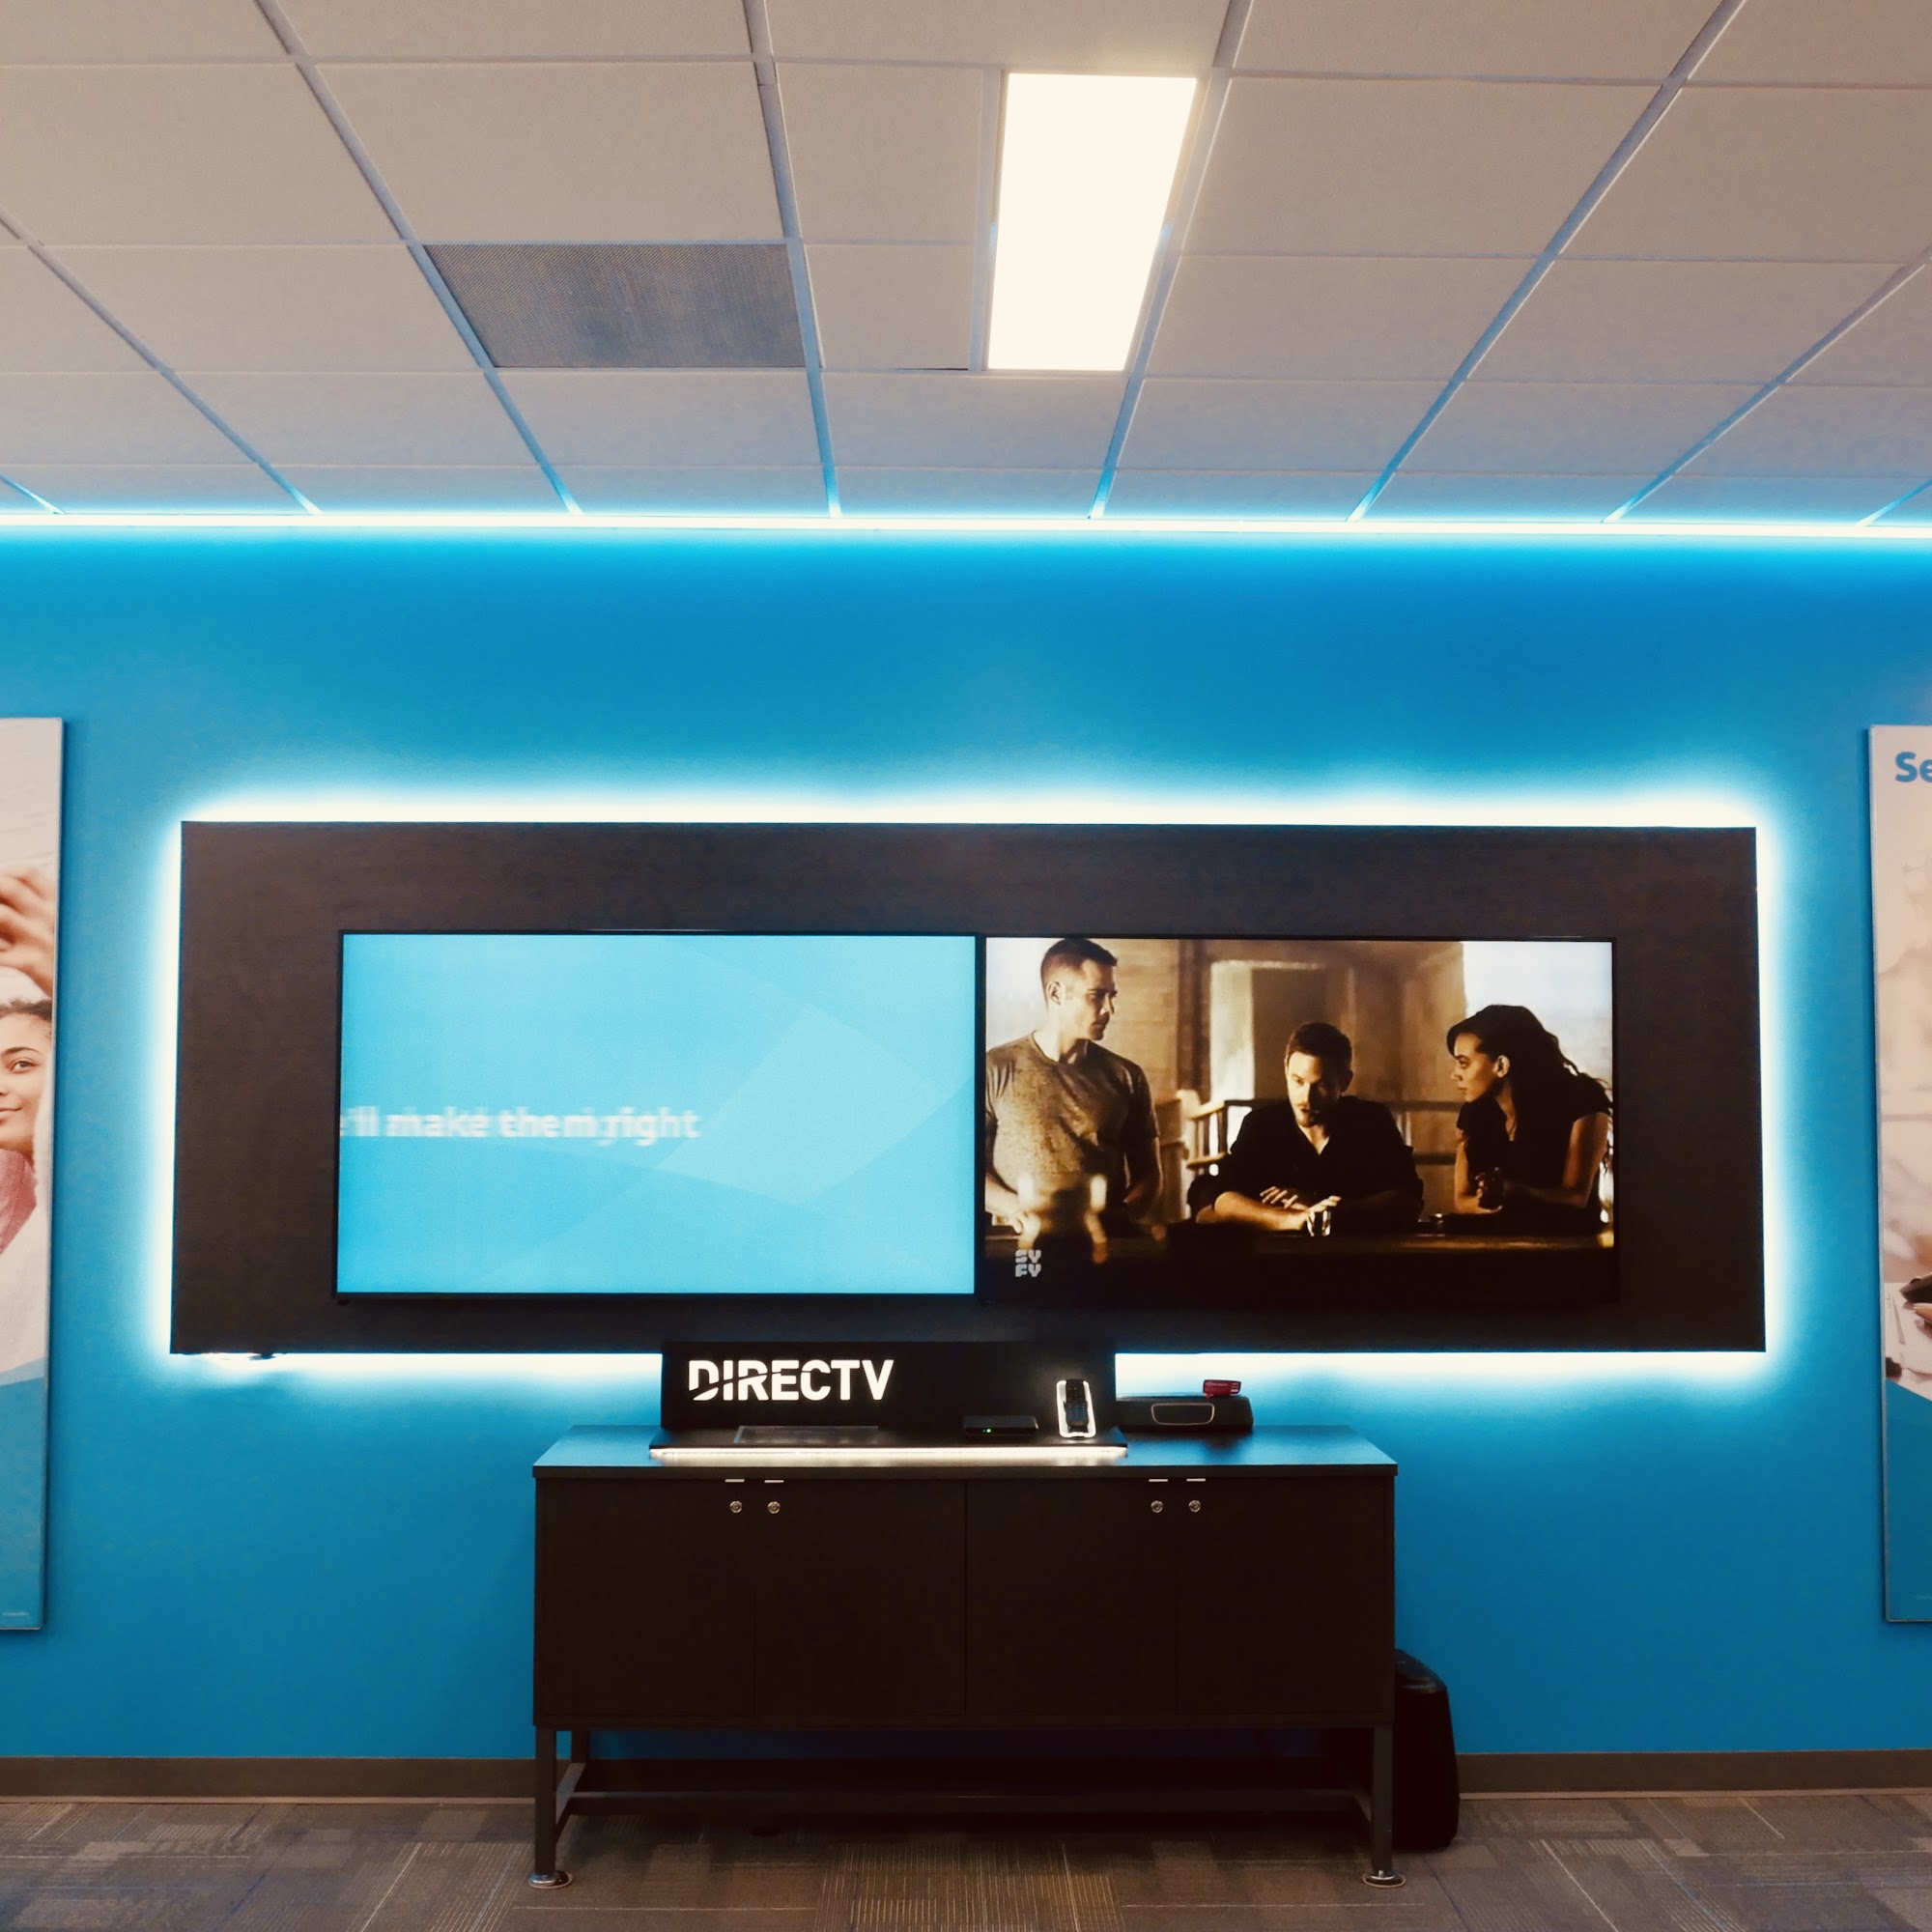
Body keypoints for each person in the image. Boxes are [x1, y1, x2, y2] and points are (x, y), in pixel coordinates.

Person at [983, 937, 1159, 1240]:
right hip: (1017, 1245)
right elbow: (966, 1168)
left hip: (1100, 1246)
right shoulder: (994, 1068)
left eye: (1112, 996)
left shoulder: (1127, 1077)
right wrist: (1015, 1209)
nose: (1109, 1009)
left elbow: (1150, 1175)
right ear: (1056, 993)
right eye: (1097, 995)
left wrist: (1116, 1221)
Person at [1189, 1021, 1421, 1233]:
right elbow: (1223, 1200)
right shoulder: (1262, 1124)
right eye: (1297, 1081)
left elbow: (1408, 1200)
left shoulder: (1371, 1121)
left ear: (1345, 1082)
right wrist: (1296, 1219)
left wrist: (1333, 1209)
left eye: (1321, 1086)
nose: (1306, 1099)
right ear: (1285, 1071)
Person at [1446, 1003, 1610, 1229]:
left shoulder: (1581, 1099)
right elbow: (1462, 1199)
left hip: (1568, 1241)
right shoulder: (1475, 1113)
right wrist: (1493, 1200)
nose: (1454, 1074)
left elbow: (1576, 1197)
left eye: (1463, 1063)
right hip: (1495, 1241)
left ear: (1501, 1065)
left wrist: (1514, 1193)